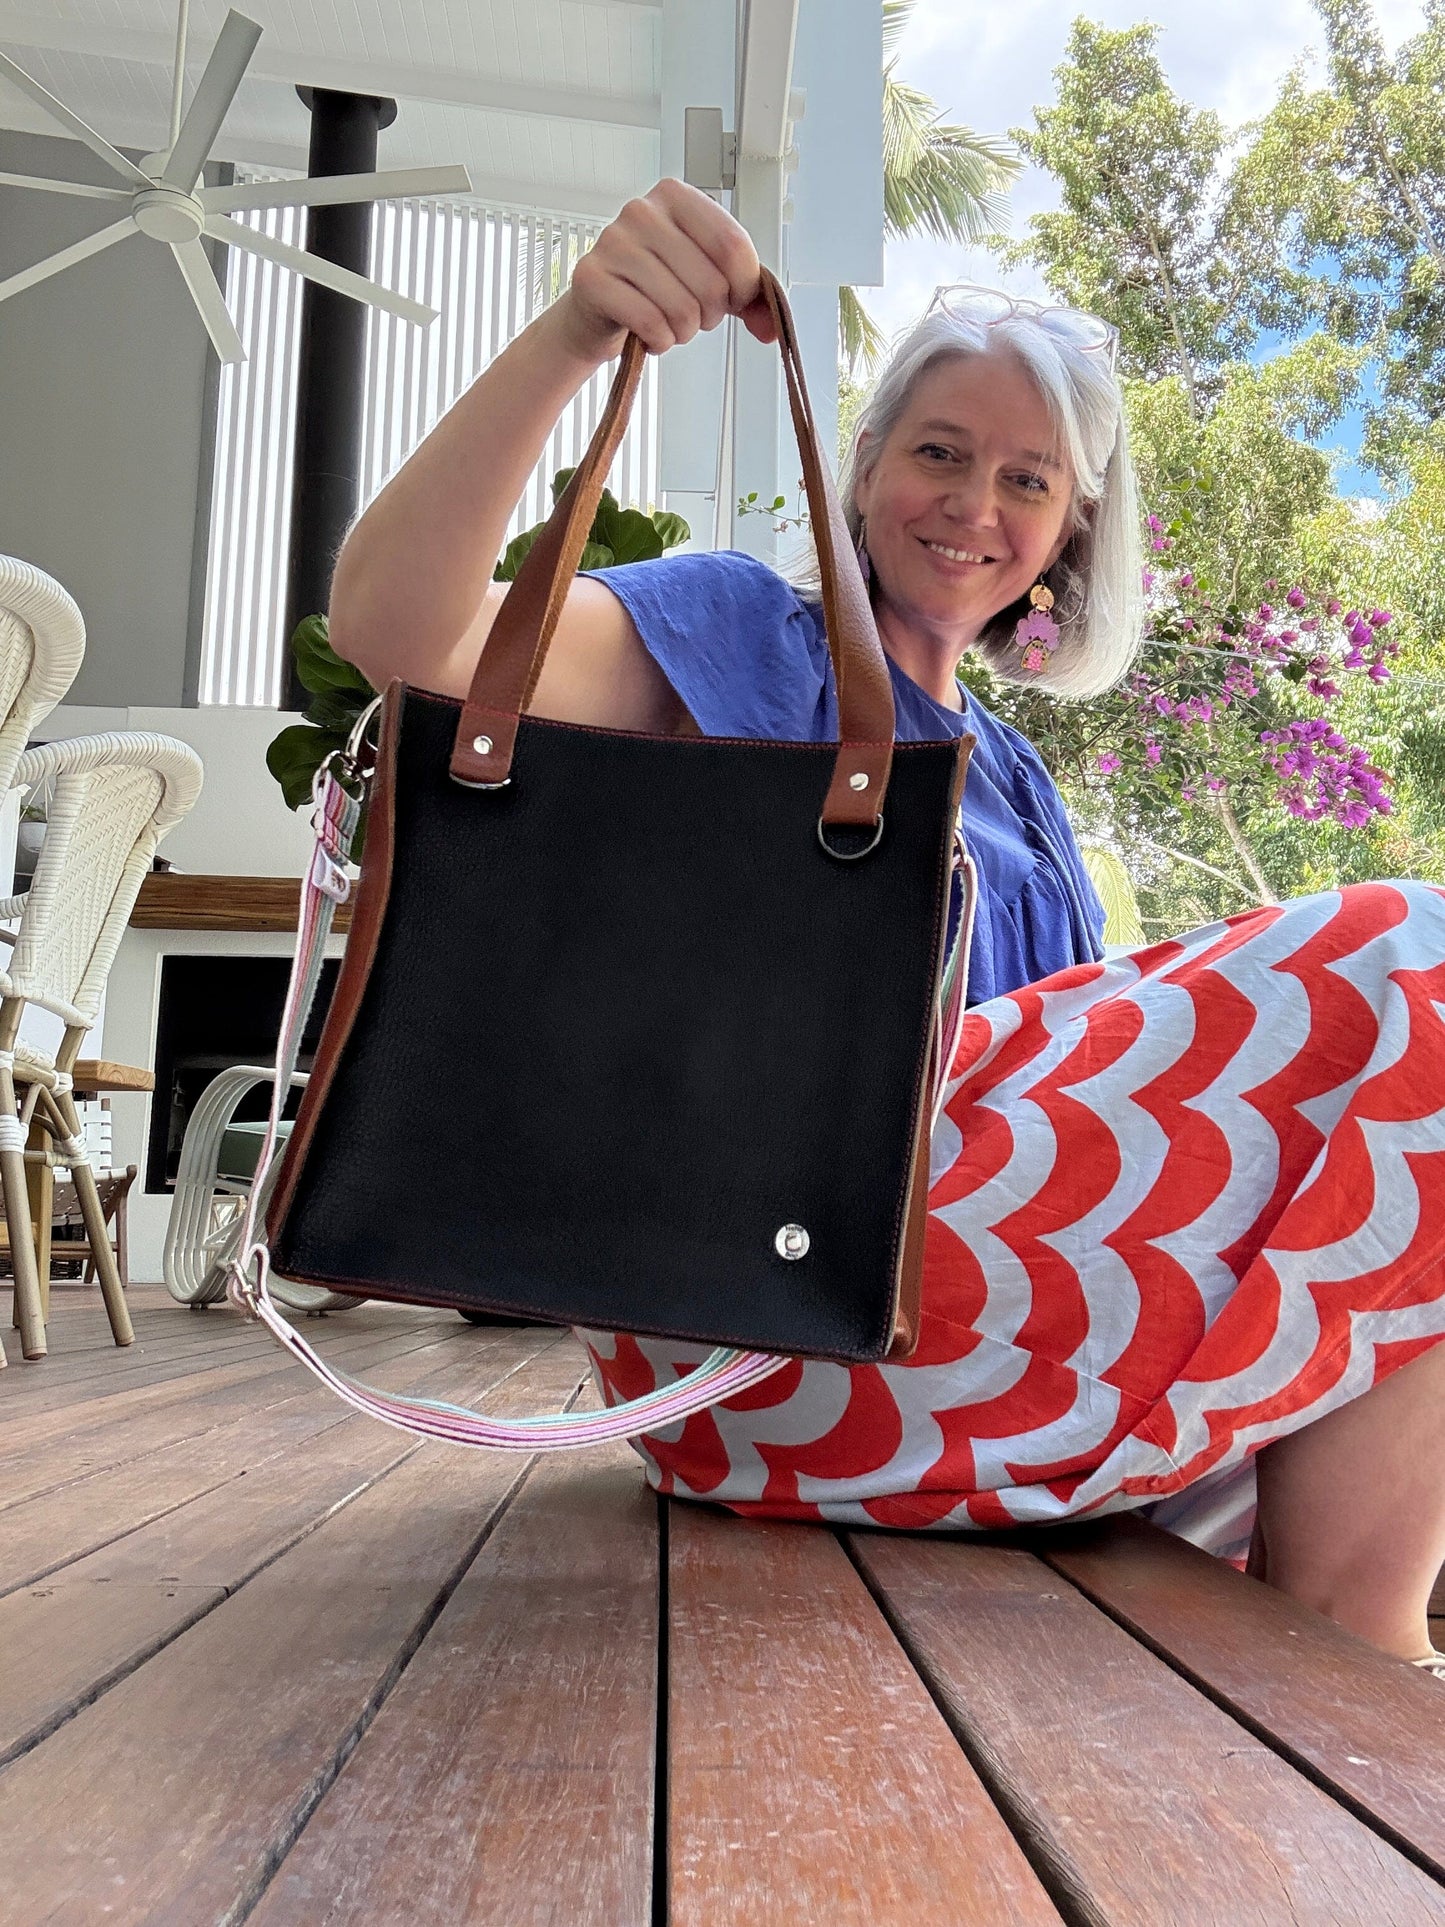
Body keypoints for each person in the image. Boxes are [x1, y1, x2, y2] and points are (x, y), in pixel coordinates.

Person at [328, 179, 1445, 1675]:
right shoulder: (742, 630)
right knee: (1413, 957)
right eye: (937, 453)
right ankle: (1346, 1634)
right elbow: (408, 637)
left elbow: (1064, 1121)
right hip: (774, 1330)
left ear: (1064, 529)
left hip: (962, 1319)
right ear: (858, 475)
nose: (975, 507)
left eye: (1026, 480)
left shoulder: (1021, 788)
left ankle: (1353, 1622)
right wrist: (574, 338)